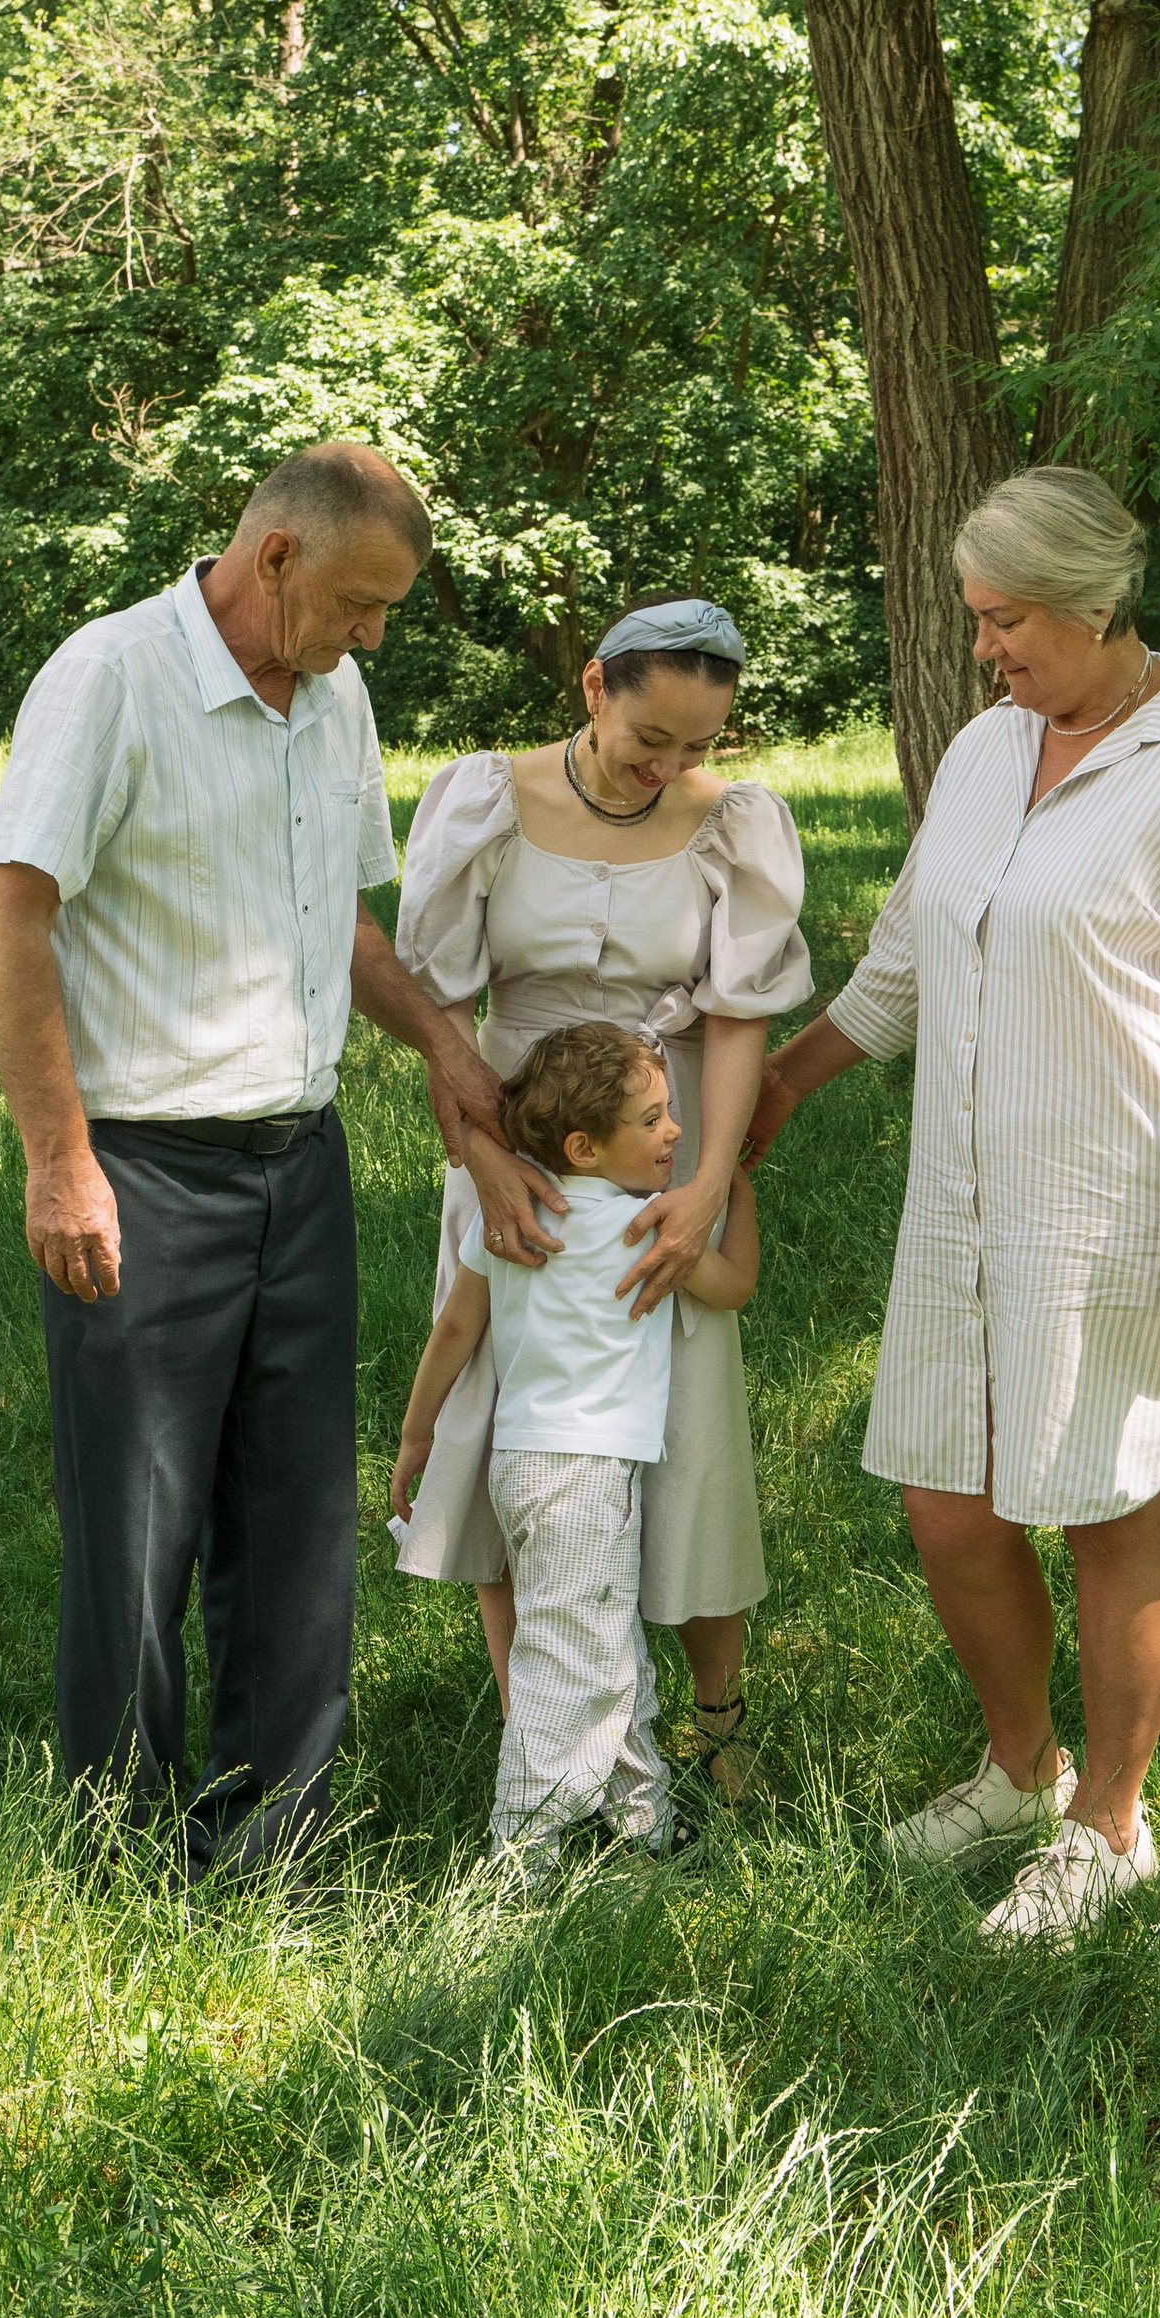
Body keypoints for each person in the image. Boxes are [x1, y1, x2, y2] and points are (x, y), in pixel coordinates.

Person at [748, 467, 1160, 1944]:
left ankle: (1111, 1824)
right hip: (962, 1201)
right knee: (948, 1500)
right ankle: (1020, 1774)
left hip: (1121, 1200)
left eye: (1005, 619)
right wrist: (788, 1080)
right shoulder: (987, 747)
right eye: (976, 617)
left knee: (1112, 1507)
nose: (984, 647)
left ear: (1091, 603)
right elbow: (908, 952)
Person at [0, 444, 507, 1877]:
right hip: (144, 1168)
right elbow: (12, 914)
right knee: (138, 1523)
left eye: (386, 612)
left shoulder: (333, 696)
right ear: (274, 556)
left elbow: (342, 914)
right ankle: (114, 1845)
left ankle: (273, 1840)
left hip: (301, 1159)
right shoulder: (111, 678)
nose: (371, 636)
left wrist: (444, 1046)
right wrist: (59, 1162)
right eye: (358, 603)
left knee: (295, 1517)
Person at [392, 597, 811, 1793]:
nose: (669, 768)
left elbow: (739, 1018)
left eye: (698, 744)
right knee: (507, 1416)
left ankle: (717, 1730)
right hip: (510, 1130)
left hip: (660, 1141)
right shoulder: (484, 799)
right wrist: (483, 1159)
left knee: (687, 1428)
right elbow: (441, 1012)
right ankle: (541, 1739)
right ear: (593, 688)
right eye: (650, 739)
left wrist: (707, 1182)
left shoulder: (733, 824)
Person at [393, 1022, 760, 1877]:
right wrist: (733, 1196)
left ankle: (643, 1820)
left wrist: (418, 1433)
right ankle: (520, 1853)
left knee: (606, 1645)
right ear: (585, 1147)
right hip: (587, 1478)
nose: (675, 1131)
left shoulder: (513, 1220)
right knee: (567, 1663)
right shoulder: (647, 1230)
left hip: (523, 1466)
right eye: (653, 1119)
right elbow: (735, 1287)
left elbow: (455, 1330)